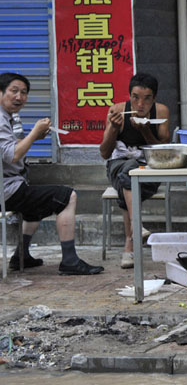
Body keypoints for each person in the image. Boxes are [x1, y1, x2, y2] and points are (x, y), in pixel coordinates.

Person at [0, 73, 103, 275]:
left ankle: (21, 256)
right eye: (14, 91)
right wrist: (34, 133)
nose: (19, 97)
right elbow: (12, 155)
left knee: (35, 207)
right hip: (6, 190)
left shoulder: (8, 117)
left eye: (24, 92)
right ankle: (70, 261)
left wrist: (36, 137)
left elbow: (12, 148)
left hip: (11, 185)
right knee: (67, 196)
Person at [99, 73, 171, 268]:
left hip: (149, 167)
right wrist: (113, 129)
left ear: (154, 98)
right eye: (135, 97)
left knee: (129, 179)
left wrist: (145, 131)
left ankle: (130, 242)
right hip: (118, 165)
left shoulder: (161, 112)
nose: (140, 104)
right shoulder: (117, 111)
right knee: (128, 170)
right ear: (129, 95)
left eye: (147, 99)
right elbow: (104, 153)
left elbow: (163, 152)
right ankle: (135, 228)